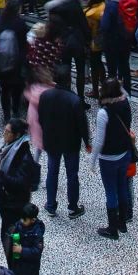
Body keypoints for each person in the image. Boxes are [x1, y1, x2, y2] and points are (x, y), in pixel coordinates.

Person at [38, 66, 90, 218]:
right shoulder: (74, 100)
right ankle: (73, 207)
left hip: (51, 140)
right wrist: (87, 141)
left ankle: (50, 205)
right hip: (71, 142)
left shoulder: (45, 96)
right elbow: (82, 124)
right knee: (72, 174)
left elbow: (41, 118)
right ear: (69, 80)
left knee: (52, 172)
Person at [94, 77, 134, 239]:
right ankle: (122, 222)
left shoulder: (104, 112)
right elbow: (123, 92)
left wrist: (92, 160)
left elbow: (99, 140)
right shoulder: (126, 103)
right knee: (122, 187)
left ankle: (112, 229)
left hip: (108, 158)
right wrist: (117, 84)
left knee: (111, 191)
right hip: (124, 153)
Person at [6, 201, 44, 275]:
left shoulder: (37, 232)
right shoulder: (20, 224)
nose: (22, 221)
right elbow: (16, 231)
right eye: (21, 219)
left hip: (32, 265)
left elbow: (37, 251)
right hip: (21, 262)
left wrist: (22, 250)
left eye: (25, 220)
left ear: (33, 220)